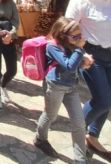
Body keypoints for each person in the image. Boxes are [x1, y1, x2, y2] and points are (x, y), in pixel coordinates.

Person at [34, 17, 93, 164]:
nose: (79, 39)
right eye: (76, 37)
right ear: (62, 35)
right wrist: (79, 49)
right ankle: (40, 139)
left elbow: (75, 63)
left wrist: (84, 62)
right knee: (50, 115)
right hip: (55, 86)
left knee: (79, 123)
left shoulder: (71, 44)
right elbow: (68, 65)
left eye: (80, 35)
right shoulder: (52, 47)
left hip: (72, 87)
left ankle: (80, 159)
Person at [66, 0, 111, 161]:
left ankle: (93, 137)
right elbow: (67, 30)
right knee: (103, 100)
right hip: (91, 55)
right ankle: (78, 131)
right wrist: (80, 53)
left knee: (109, 100)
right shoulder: (80, 1)